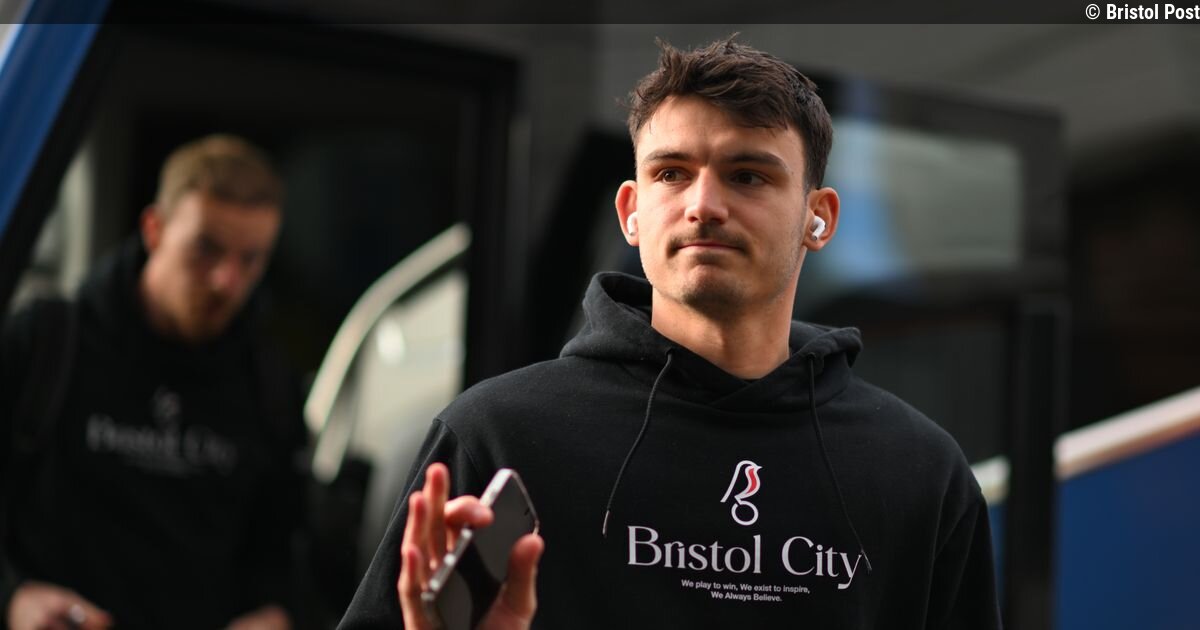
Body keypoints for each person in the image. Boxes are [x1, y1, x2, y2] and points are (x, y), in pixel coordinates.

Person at [339, 37, 1002, 629]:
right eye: (671, 173)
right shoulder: (500, 436)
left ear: (818, 218)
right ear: (632, 211)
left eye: (747, 175)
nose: (703, 205)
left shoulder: (920, 473)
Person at [0, 135, 308, 630]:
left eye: (250, 259)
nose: (226, 281)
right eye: (206, 249)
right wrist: (14, 597)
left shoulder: (269, 384)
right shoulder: (47, 344)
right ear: (154, 229)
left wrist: (274, 614)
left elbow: (280, 552)